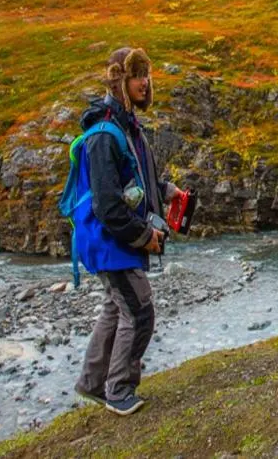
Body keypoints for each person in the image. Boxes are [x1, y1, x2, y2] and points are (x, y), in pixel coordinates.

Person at [73, 47, 182, 416]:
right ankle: (119, 390)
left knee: (115, 307)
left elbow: (135, 180)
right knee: (139, 310)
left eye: (146, 74)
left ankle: (92, 383)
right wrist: (143, 236)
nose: (144, 82)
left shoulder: (126, 126)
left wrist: (166, 192)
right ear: (119, 80)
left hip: (112, 240)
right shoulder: (106, 134)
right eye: (136, 75)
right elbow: (108, 204)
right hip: (111, 241)